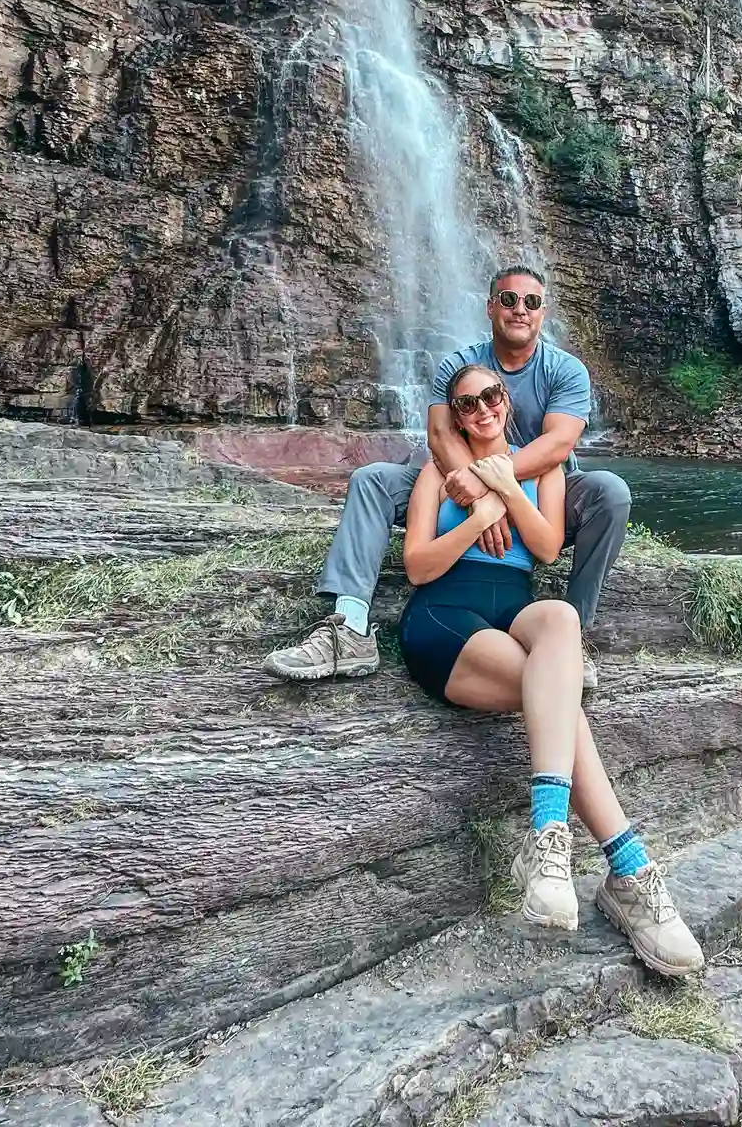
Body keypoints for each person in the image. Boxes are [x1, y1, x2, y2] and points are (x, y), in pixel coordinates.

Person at [397, 362, 704, 977]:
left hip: (515, 611)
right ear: (454, 415)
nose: (481, 408)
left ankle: (557, 844)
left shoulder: (545, 470)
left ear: (507, 402)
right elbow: (417, 566)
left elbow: (543, 545)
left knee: (561, 618)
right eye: (466, 403)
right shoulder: (436, 473)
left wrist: (506, 488)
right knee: (561, 707)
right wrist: (480, 520)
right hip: (444, 618)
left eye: (492, 396)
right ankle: (627, 870)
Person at [263, 266, 631, 683]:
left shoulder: (565, 370)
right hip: (457, 480)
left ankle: (573, 635)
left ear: (544, 312)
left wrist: (497, 486)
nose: (520, 310)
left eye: (531, 302)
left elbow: (558, 445)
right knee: (373, 479)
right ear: (491, 307)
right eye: (508, 300)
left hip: (540, 489)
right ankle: (348, 627)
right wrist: (477, 497)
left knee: (610, 492)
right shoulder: (459, 363)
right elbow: (440, 435)